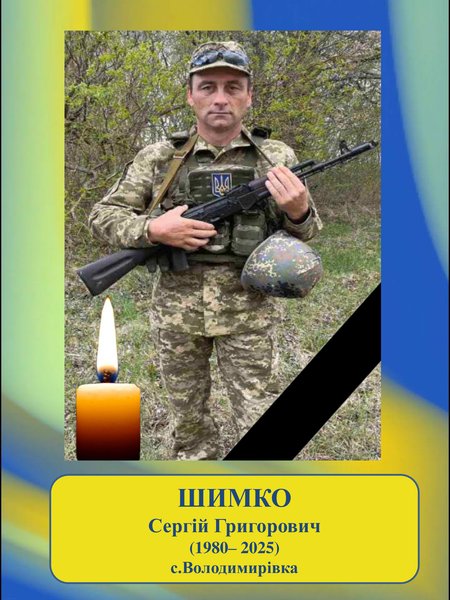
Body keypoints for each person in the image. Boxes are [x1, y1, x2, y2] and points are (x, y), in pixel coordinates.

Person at [89, 41, 322, 460]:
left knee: (261, 416)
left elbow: (306, 233)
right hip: (176, 315)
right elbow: (103, 216)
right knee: (189, 425)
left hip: (250, 313)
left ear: (249, 96)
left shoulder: (276, 156)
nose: (220, 98)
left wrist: (298, 211)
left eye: (233, 87)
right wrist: (154, 229)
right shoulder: (160, 157)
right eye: (208, 86)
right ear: (190, 95)